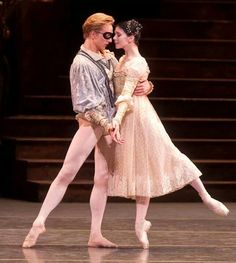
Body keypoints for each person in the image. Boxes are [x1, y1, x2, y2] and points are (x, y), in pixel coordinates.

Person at [22, 13, 153, 249]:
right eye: (106, 34)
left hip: (110, 123)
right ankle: (39, 222)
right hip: (93, 123)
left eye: (112, 34)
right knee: (67, 172)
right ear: (92, 34)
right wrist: (108, 124)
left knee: (101, 179)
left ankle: (95, 233)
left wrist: (148, 85)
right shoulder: (81, 63)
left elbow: (128, 79)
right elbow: (86, 104)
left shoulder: (107, 56)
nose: (111, 38)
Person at [107, 19, 230, 249]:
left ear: (131, 38)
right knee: (141, 168)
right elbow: (124, 89)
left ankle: (206, 197)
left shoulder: (136, 63)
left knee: (169, 154)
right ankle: (139, 224)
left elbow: (125, 96)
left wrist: (116, 119)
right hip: (130, 116)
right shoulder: (123, 59)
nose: (115, 38)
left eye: (118, 34)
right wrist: (148, 87)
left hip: (139, 116)